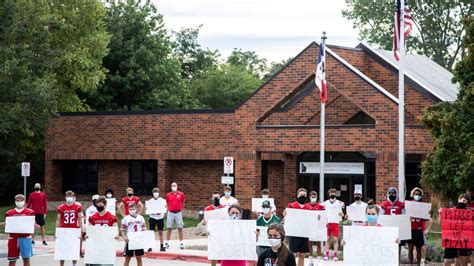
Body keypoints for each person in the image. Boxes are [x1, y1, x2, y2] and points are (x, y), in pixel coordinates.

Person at [86, 196, 118, 266]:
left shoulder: (111, 217)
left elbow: (115, 230)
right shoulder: (93, 217)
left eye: (100, 205)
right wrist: (87, 235)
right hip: (96, 244)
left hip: (107, 243)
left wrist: (116, 235)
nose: (99, 206)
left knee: (107, 262)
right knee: (95, 262)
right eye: (97, 205)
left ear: (105, 205)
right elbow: (90, 230)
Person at [442, 194, 472, 266]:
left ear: (467, 204)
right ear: (458, 199)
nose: (464, 200)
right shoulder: (450, 211)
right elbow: (444, 224)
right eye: (462, 199)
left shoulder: (470, 214)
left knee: (464, 261)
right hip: (451, 239)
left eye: (466, 200)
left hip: (465, 239)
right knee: (447, 260)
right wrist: (441, 213)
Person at [5, 194, 35, 266]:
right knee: (12, 259)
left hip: (26, 238)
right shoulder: (9, 213)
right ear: (15, 201)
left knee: (26, 259)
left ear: (24, 201)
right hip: (13, 238)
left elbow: (32, 224)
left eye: (21, 200)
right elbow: (7, 224)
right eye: (17, 200)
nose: (19, 202)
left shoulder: (30, 212)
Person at [284, 188, 311, 266]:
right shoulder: (291, 205)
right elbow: (287, 218)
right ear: (297, 195)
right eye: (301, 195)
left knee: (302, 254)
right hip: (294, 233)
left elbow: (312, 220)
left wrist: (317, 217)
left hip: (304, 233)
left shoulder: (309, 207)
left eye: (304, 195)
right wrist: (285, 214)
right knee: (293, 254)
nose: (303, 196)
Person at [56, 190, 83, 266]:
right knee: (62, 249)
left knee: (74, 249)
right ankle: (62, 264)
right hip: (64, 230)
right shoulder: (61, 207)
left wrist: (80, 230)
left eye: (71, 196)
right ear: (65, 197)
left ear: (74, 198)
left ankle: (74, 264)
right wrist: (57, 231)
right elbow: (58, 219)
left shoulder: (77, 207)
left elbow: (80, 219)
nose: (69, 197)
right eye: (68, 196)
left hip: (74, 229)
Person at [407, 188, 432, 266]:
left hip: (418, 230)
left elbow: (429, 219)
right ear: (413, 194)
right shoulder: (409, 204)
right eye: (415, 194)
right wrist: (408, 217)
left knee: (419, 249)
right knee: (410, 249)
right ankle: (410, 264)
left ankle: (418, 264)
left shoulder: (423, 206)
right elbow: (404, 216)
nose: (417, 195)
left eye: (418, 194)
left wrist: (427, 229)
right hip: (410, 229)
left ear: (421, 195)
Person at [380, 187, 406, 257]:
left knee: (398, 246)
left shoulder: (401, 204)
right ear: (387, 194)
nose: (391, 195)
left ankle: (398, 263)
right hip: (388, 228)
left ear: (396, 194)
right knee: (388, 245)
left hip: (398, 228)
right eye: (390, 193)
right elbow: (381, 217)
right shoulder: (384, 204)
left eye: (393, 193)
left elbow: (404, 216)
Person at [322, 188, 345, 261]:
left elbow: (342, 214)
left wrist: (342, 214)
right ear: (329, 194)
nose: (332, 194)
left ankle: (335, 255)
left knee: (335, 239)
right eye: (331, 193)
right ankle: (326, 255)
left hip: (335, 223)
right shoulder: (325, 203)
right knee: (327, 239)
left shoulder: (340, 203)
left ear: (335, 194)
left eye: (333, 193)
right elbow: (321, 212)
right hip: (328, 223)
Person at [165, 182, 186, 250]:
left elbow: (182, 202)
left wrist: (181, 209)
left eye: (175, 186)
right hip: (170, 212)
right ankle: (167, 243)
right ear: (171, 187)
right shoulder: (168, 195)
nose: (174, 187)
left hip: (178, 213)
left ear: (177, 186)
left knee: (180, 228)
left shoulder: (181, 194)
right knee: (169, 228)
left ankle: (181, 243)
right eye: (172, 186)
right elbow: (167, 202)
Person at [146, 187, 166, 252]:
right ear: (153, 193)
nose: (156, 193)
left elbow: (165, 208)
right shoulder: (150, 201)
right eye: (154, 192)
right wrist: (151, 212)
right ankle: (150, 246)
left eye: (157, 192)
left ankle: (162, 246)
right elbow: (147, 209)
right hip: (152, 218)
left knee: (161, 232)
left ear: (159, 193)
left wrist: (161, 211)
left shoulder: (162, 201)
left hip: (160, 218)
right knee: (151, 233)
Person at [307, 191, 325, 265]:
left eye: (315, 197)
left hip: (318, 227)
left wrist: (321, 217)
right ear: (309, 197)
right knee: (309, 244)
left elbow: (324, 216)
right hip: (309, 227)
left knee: (318, 244)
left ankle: (319, 260)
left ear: (317, 197)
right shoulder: (306, 205)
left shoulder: (321, 206)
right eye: (312, 197)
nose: (313, 198)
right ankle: (310, 260)